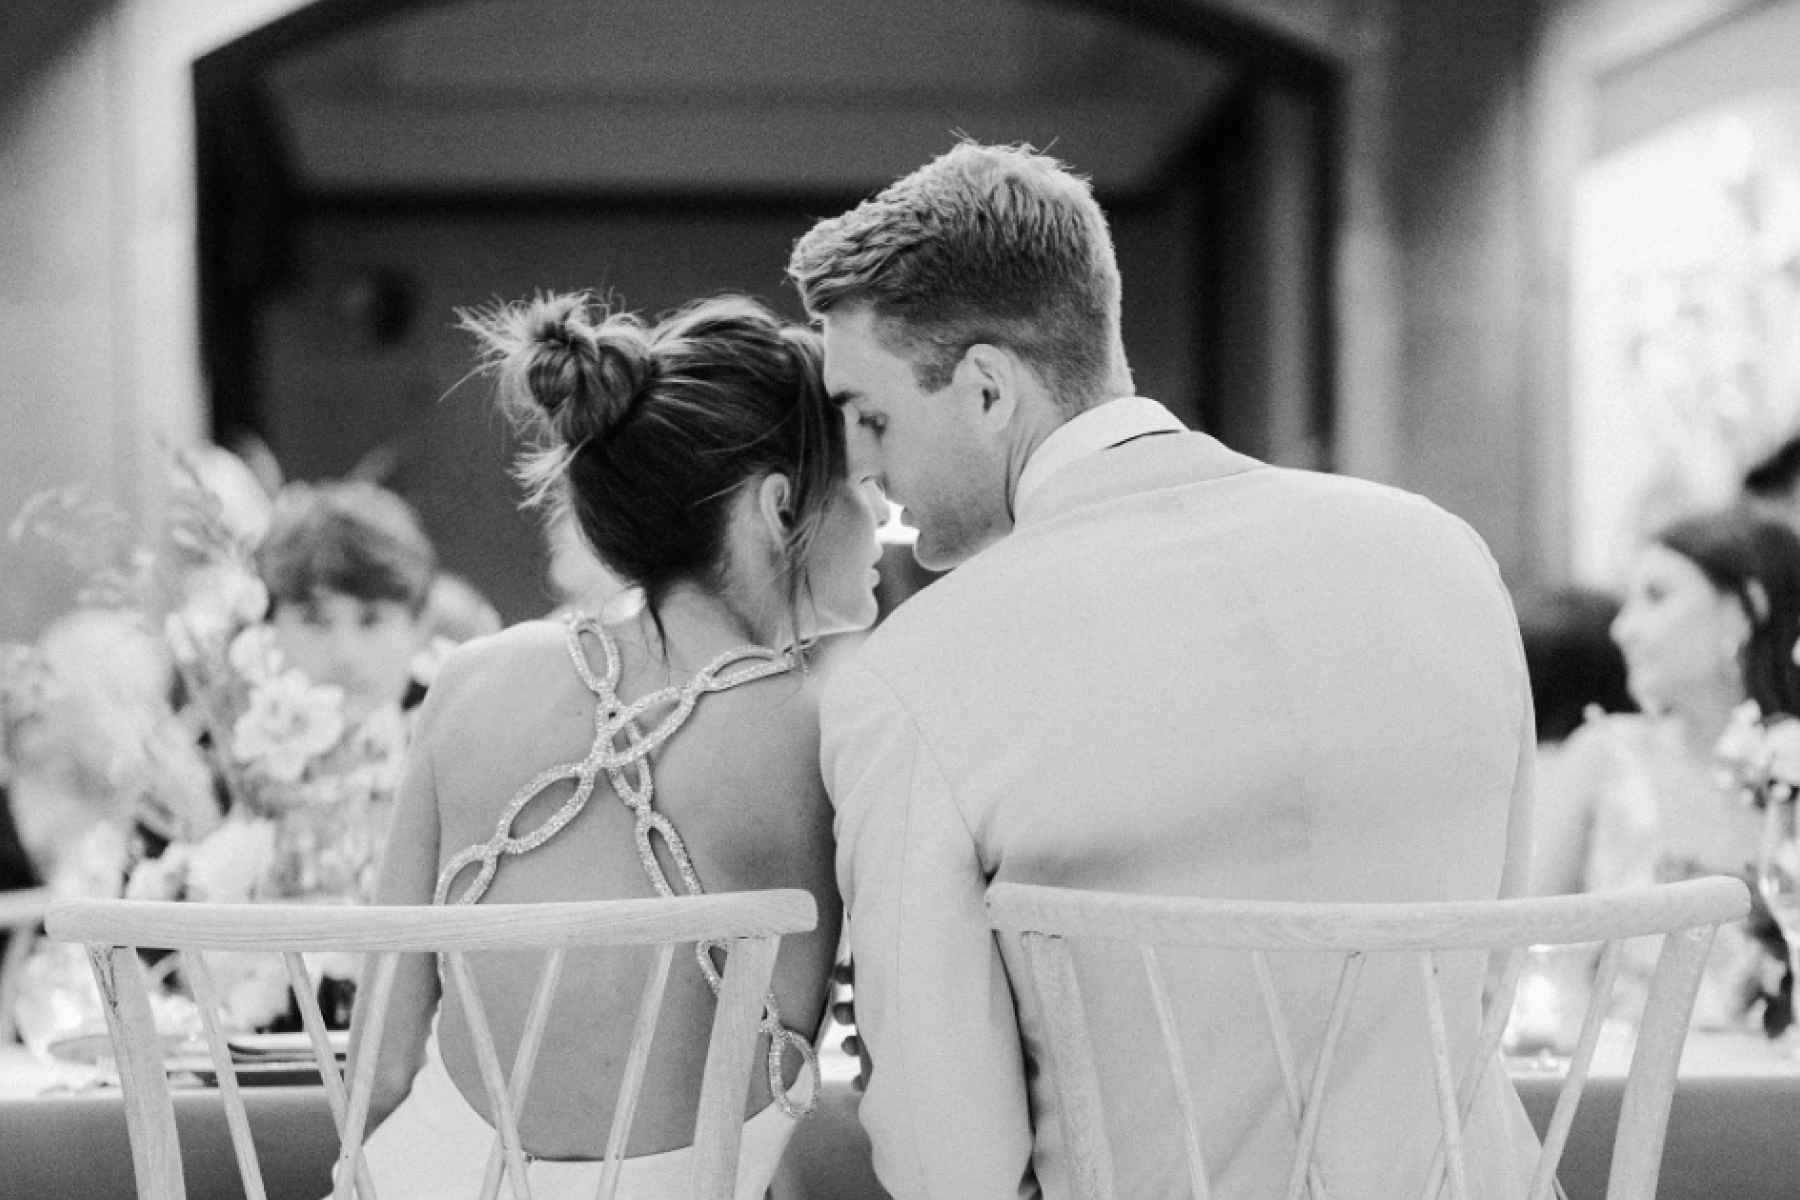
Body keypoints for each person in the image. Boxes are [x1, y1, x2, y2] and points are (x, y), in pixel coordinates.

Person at [787, 142, 1540, 1200]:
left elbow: (942, 1154)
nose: (863, 465)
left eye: (870, 417)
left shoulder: (915, 674)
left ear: (989, 390)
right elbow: (1490, 969)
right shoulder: (1442, 556)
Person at [353, 293, 881, 1199]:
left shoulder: (469, 679)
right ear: (780, 506)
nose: (884, 521)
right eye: (864, 487)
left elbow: (379, 1066)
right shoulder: (834, 723)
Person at [1531, 509, 1800, 1030]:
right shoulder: (1604, 759)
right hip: (1620, 1095)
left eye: (1655, 596)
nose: (1621, 628)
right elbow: (1514, 951)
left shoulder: (1791, 768)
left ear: (1744, 610)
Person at [255, 480, 438, 719]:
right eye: (315, 620)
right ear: (267, 630)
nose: (345, 654)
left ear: (421, 628)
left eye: (371, 620)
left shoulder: (471, 745)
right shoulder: (200, 748)